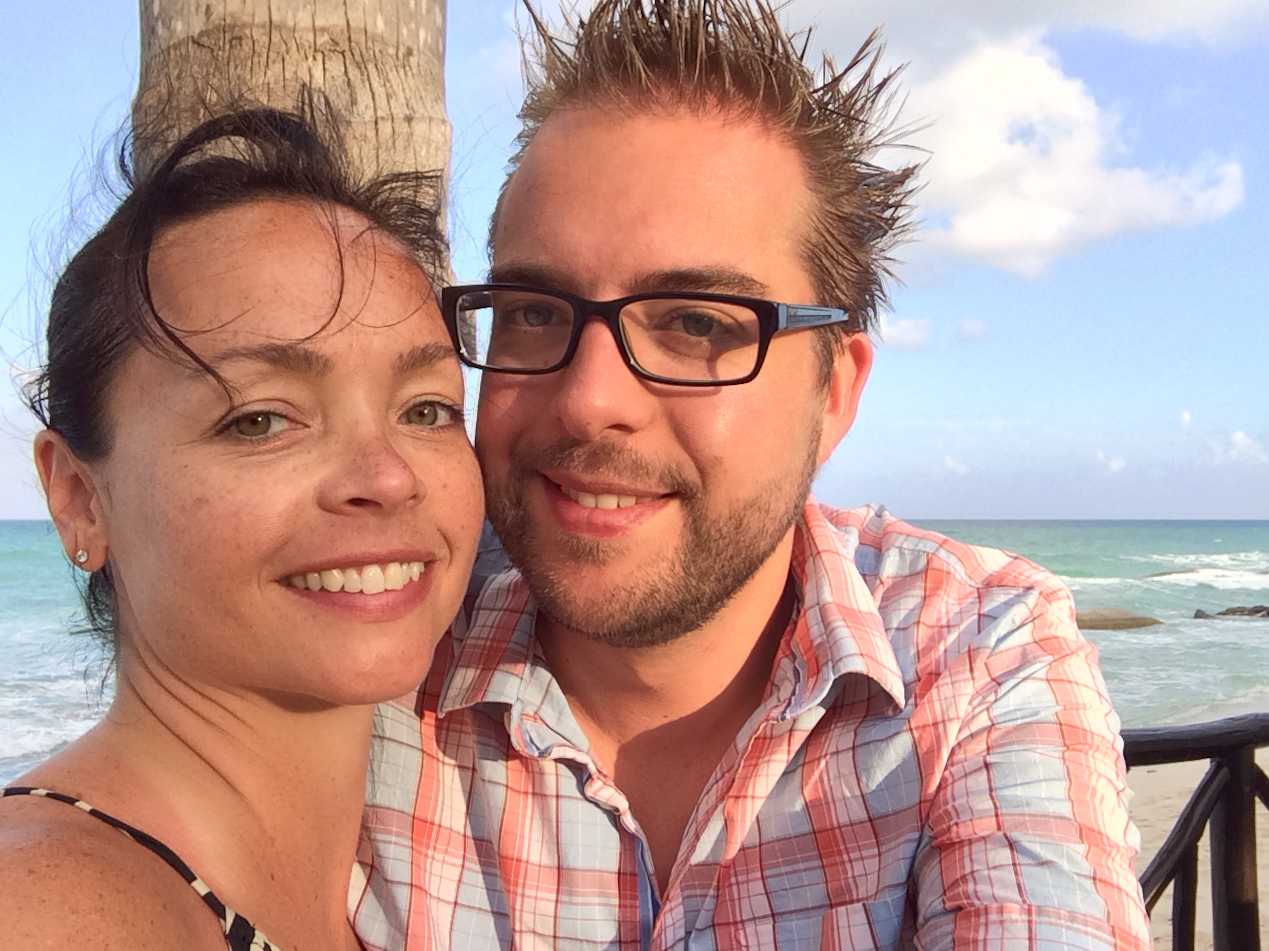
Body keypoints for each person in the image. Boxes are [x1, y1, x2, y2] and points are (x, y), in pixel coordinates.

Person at [353, 1, 1152, 949]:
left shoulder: (975, 651)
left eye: (696, 324)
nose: (586, 399)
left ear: (833, 397)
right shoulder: (376, 631)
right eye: (532, 310)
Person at [0, 104, 483, 951]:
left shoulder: (409, 887)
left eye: (428, 408)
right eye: (259, 419)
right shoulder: (49, 908)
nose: (387, 476)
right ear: (78, 496)